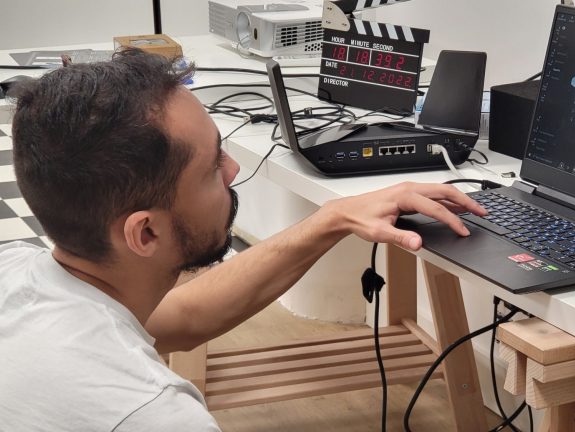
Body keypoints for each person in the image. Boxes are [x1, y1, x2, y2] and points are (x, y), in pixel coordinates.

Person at [0, 48, 486, 431]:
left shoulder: (18, 272)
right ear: (145, 232)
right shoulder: (150, 414)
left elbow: (183, 317)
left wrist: (331, 219)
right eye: (213, 167)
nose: (233, 170)